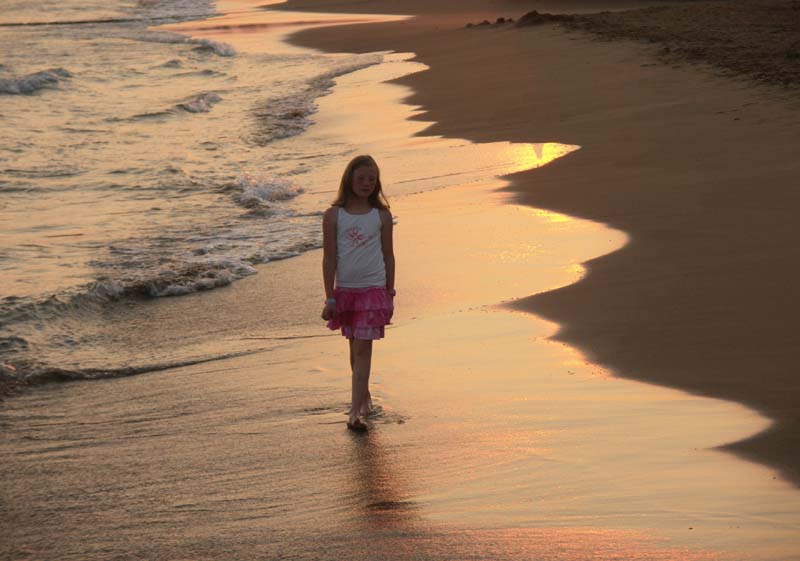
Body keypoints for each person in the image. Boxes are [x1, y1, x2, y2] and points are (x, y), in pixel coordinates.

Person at [321, 155, 395, 432]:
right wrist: (330, 297)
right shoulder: (333, 215)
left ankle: (354, 414)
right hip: (346, 292)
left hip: (373, 289)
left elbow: (389, 256)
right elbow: (329, 259)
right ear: (349, 180)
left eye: (372, 179)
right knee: (354, 348)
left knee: (363, 348)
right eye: (361, 178)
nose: (366, 183)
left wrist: (389, 291)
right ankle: (363, 400)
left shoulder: (381, 216)